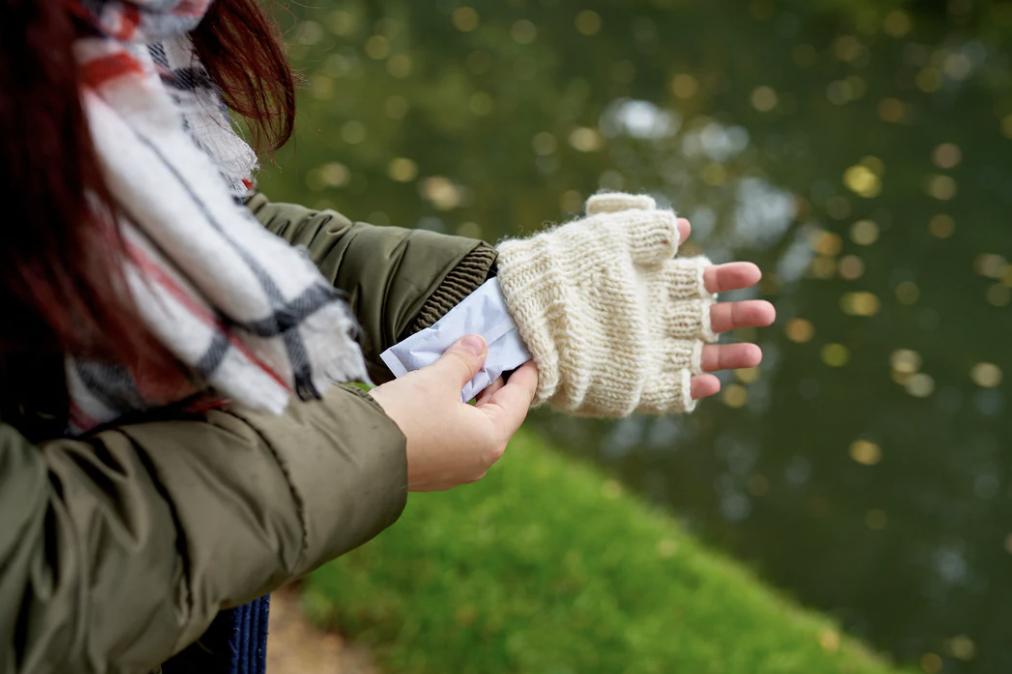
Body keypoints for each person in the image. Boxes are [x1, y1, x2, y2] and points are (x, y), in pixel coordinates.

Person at [0, 0, 775, 673]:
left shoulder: (102, 32)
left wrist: (505, 303)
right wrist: (378, 446)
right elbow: (33, 580)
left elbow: (181, 230)